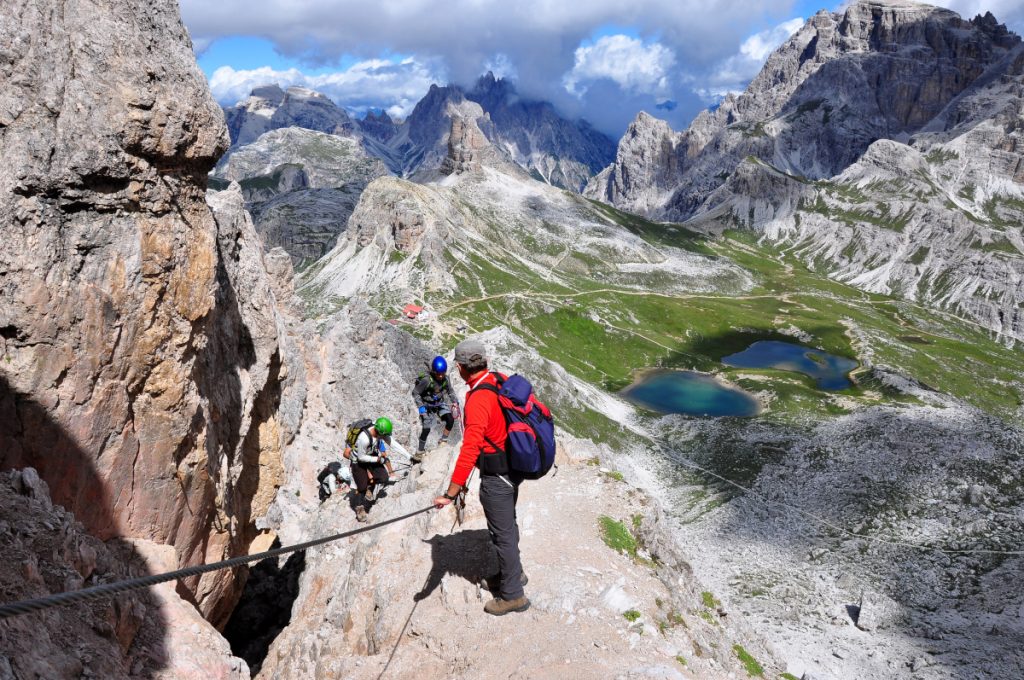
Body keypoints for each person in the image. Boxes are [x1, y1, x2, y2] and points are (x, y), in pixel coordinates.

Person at [433, 339, 530, 616]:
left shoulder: (477, 399)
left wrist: (451, 492)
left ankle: (513, 595)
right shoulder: (499, 380)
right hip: (512, 468)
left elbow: (470, 448)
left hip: (497, 476)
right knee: (507, 526)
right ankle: (514, 574)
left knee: (502, 534)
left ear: (462, 368)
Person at [344, 417, 398, 523]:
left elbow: (382, 454)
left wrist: (389, 470)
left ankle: (369, 487)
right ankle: (359, 509)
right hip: (358, 461)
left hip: (369, 456)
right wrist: (377, 459)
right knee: (362, 487)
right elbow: (357, 457)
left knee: (383, 477)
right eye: (384, 435)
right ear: (379, 432)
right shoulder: (364, 439)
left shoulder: (377, 434)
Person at [413, 355, 458, 460]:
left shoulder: (446, 379)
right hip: (427, 405)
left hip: (439, 403)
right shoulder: (426, 380)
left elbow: (450, 391)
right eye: (439, 374)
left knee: (450, 419)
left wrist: (455, 402)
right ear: (434, 372)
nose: (441, 376)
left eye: (442, 374)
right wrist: (421, 408)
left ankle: (443, 440)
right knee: (426, 427)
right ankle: (419, 452)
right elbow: (416, 392)